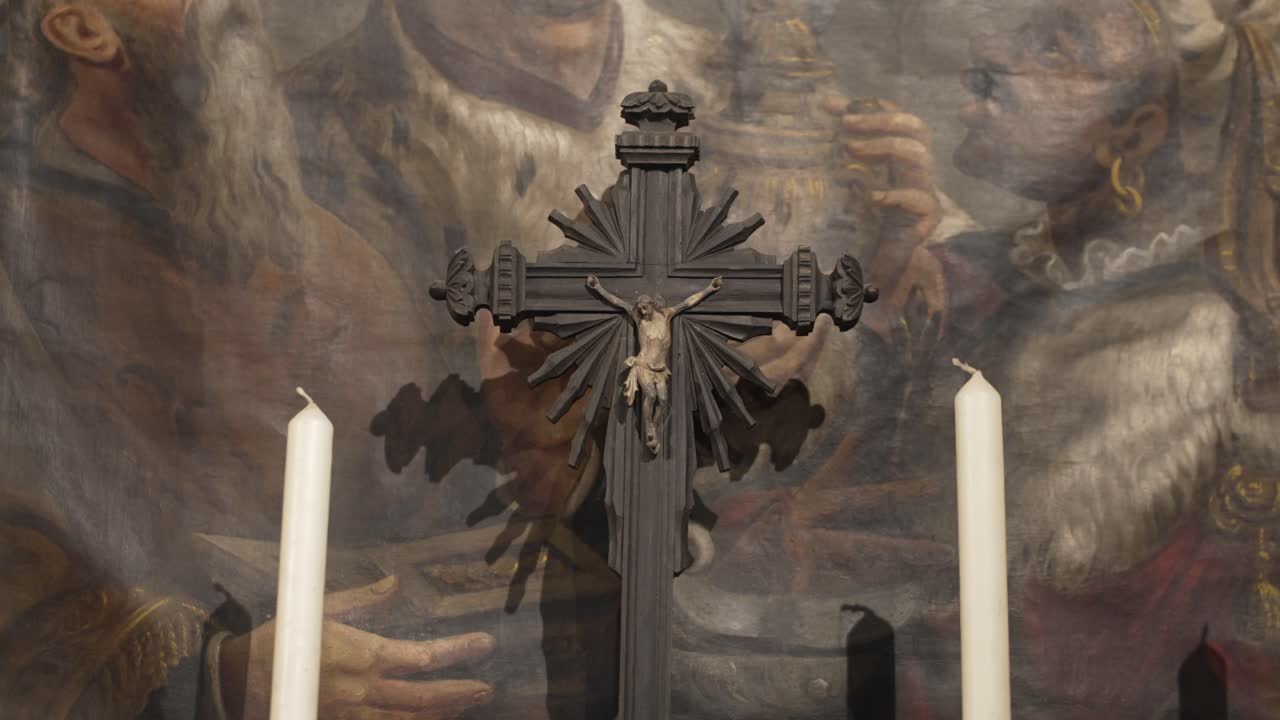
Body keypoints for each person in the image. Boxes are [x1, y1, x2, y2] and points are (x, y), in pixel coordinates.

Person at [686, 0, 1280, 716]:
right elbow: (781, 460)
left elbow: (1055, 626)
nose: (989, 55)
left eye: (1058, 47)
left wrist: (793, 538)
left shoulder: (1193, 347)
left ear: (1137, 131)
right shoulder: (967, 273)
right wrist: (877, 279)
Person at [0, 0, 496, 717]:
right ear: (81, 30)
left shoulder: (337, 256)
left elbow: (422, 510)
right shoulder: (24, 258)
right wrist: (215, 674)